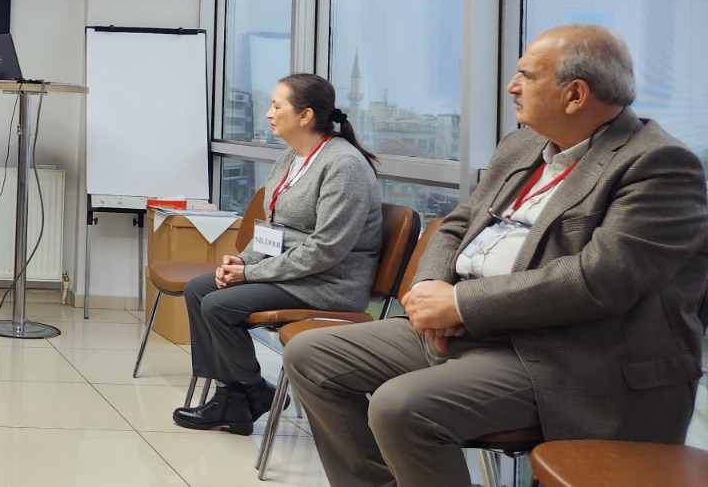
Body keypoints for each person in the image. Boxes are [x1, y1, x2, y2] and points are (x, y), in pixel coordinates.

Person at [283, 24, 708, 487]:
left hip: (565, 353)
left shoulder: (658, 165)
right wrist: (431, 287)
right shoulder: (522, 145)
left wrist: (462, 305)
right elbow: (458, 223)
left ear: (575, 95)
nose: (511, 86)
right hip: (470, 327)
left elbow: (600, 279)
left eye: (527, 75)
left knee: (401, 407)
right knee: (309, 355)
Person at [174, 73, 383, 435]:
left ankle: (245, 395)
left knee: (218, 304)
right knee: (199, 289)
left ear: (305, 115)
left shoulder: (344, 166)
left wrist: (250, 274)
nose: (268, 113)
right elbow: (275, 228)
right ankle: (240, 395)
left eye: (276, 106)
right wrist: (243, 260)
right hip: (293, 272)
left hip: (328, 283)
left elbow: (325, 250)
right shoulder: (291, 157)